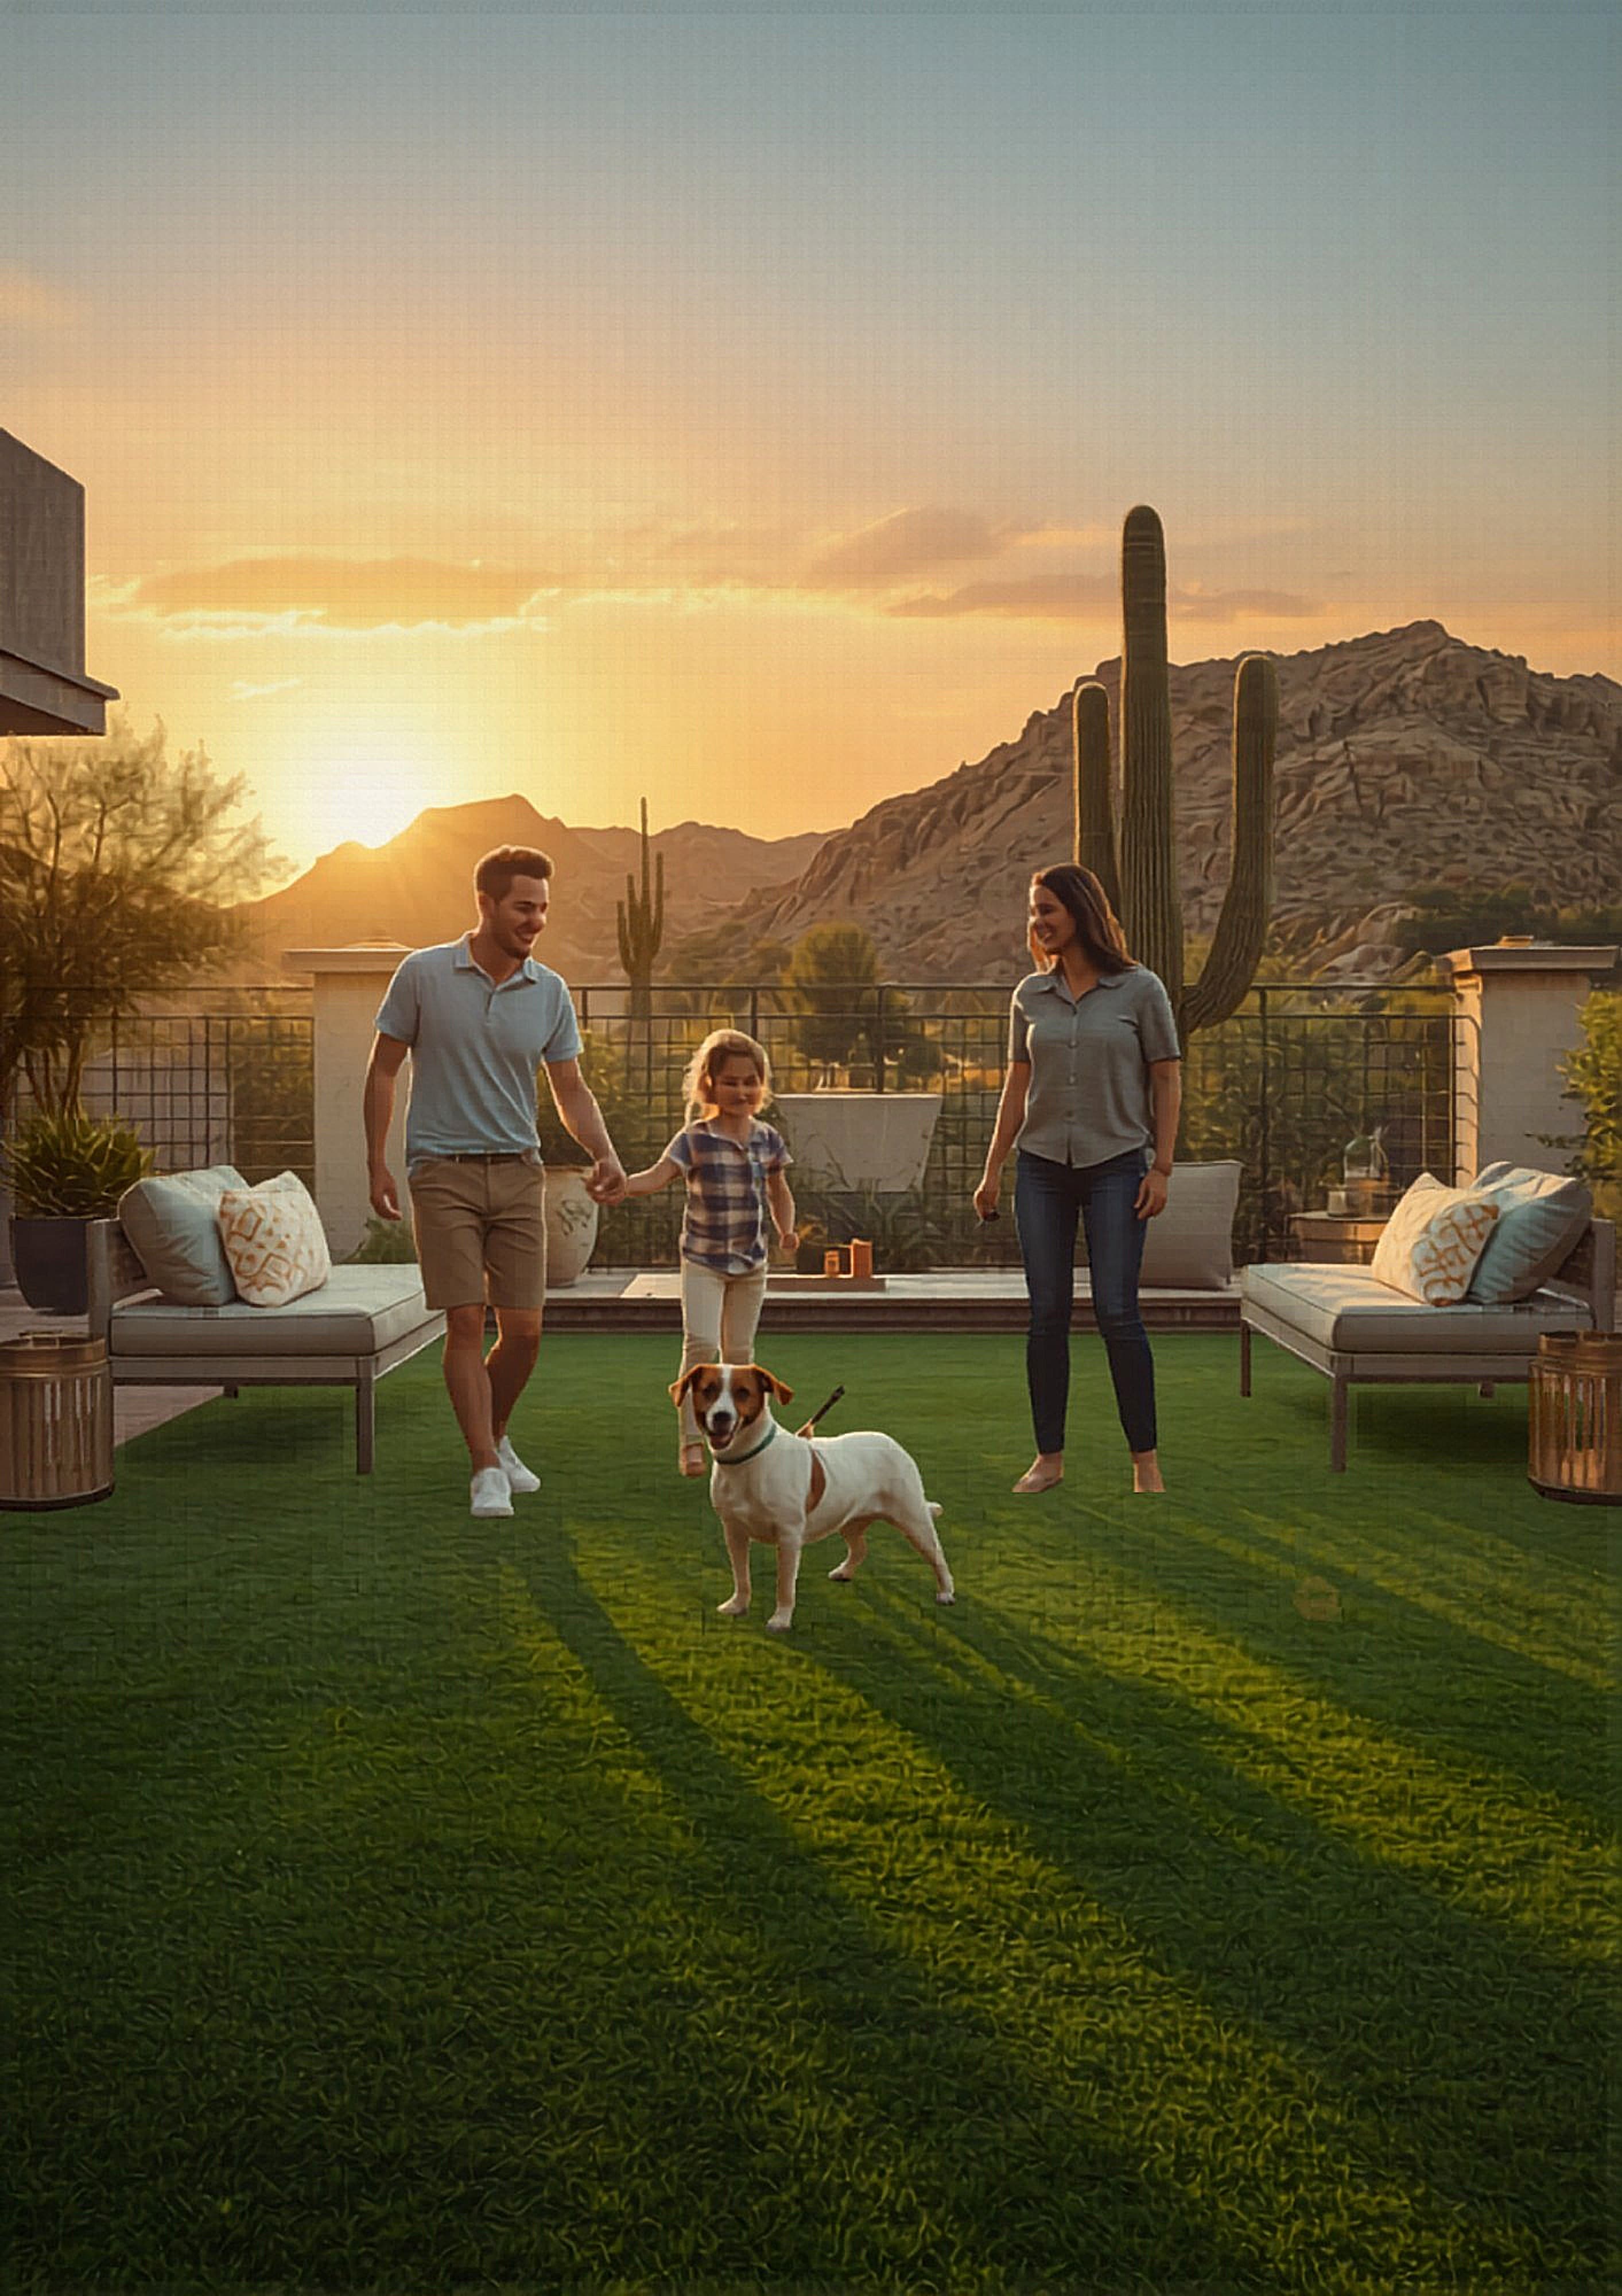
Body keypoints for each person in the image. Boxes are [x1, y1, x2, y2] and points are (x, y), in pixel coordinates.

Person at [363, 845, 627, 1519]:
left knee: (526, 1330)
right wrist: (377, 1161)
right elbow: (385, 1069)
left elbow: (570, 1088)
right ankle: (484, 1467)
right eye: (523, 907)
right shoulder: (421, 975)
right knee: (463, 1322)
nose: (536, 919)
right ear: (484, 903)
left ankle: (497, 1434)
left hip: (518, 1172)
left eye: (542, 908)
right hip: (441, 1171)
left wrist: (603, 1152)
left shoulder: (552, 991)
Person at [973, 862, 1181, 1496]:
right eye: (1034, 911)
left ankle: (1145, 1460)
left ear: (1080, 912)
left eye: (1048, 910)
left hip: (1118, 1164)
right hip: (1041, 1168)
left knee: (1119, 1312)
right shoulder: (1028, 996)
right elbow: (1017, 1086)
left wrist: (1163, 1167)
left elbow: (1167, 1077)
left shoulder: (1140, 989)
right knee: (1048, 1315)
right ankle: (1049, 1458)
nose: (1038, 922)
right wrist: (992, 1171)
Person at [621, 1028, 796, 1477]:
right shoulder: (694, 1138)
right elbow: (658, 1176)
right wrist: (622, 1187)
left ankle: (738, 1438)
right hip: (703, 1261)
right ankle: (692, 1441)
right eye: (731, 1082)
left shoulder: (768, 1139)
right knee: (701, 1345)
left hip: (751, 1263)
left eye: (750, 1081)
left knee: (738, 1353)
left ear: (762, 1085)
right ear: (710, 1086)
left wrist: (787, 1230)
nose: (742, 1091)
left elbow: (779, 1191)